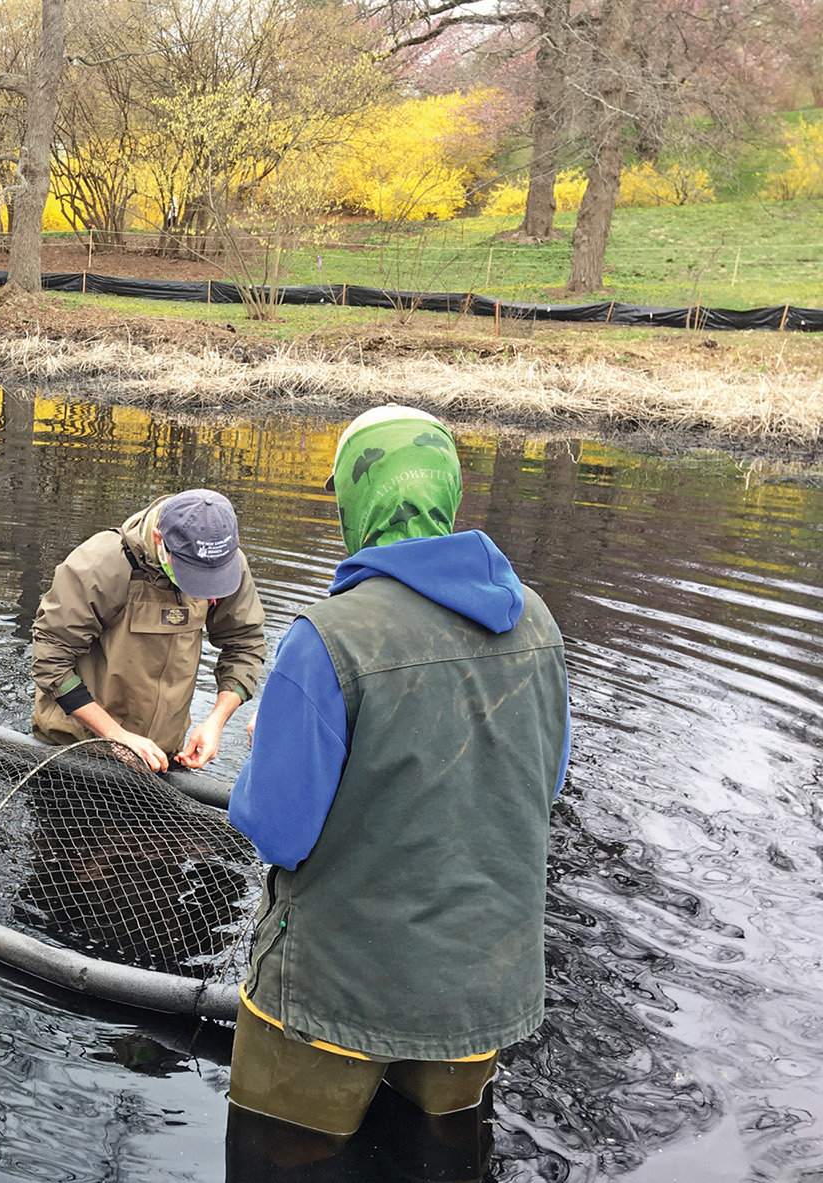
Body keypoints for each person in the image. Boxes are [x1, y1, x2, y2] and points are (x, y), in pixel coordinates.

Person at [226, 406, 571, 1163]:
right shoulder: (539, 623)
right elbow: (542, 783)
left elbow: (277, 829)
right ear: (445, 492)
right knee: (443, 1158)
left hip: (333, 997)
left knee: (282, 1159)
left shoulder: (328, 637)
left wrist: (274, 741)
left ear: (357, 499)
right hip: (481, 986)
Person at [31, 489, 267, 772]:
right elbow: (50, 661)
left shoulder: (222, 562)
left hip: (162, 758)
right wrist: (116, 735)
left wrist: (216, 720)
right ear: (159, 539)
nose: (203, 587)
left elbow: (246, 643)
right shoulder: (100, 564)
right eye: (193, 575)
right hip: (76, 752)